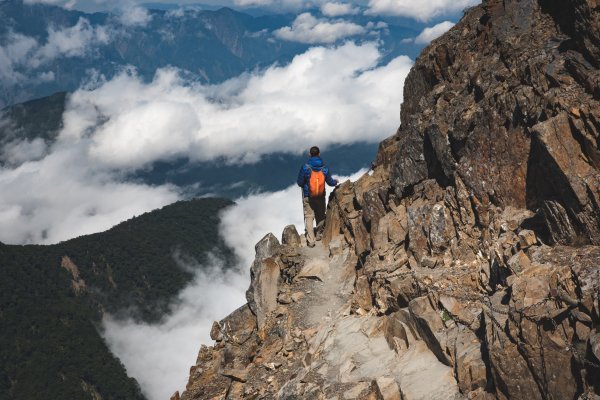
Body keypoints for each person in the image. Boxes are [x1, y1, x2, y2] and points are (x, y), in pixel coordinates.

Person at [297, 146, 338, 247]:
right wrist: (335, 182)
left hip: (308, 196)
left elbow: (300, 182)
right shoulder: (324, 168)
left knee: (309, 217)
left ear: (310, 155)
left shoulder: (305, 167)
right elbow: (330, 182)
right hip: (320, 196)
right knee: (320, 216)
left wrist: (305, 184)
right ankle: (319, 234)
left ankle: (311, 241)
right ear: (319, 154)